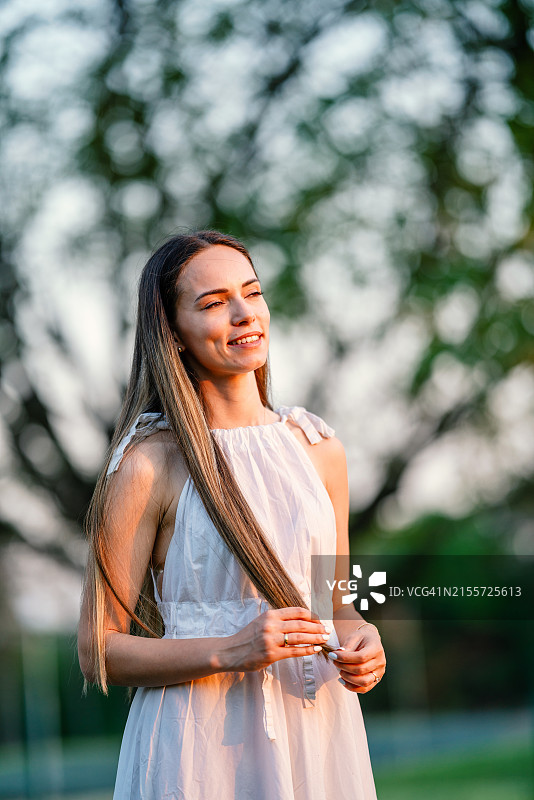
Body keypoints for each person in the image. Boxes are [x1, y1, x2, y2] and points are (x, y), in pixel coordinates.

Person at [77, 230, 386, 800]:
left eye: (252, 292)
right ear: (172, 332)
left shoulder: (319, 449)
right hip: (198, 743)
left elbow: (335, 602)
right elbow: (99, 649)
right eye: (214, 302)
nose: (245, 314)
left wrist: (363, 639)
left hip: (316, 733)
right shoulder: (149, 464)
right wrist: (231, 649)